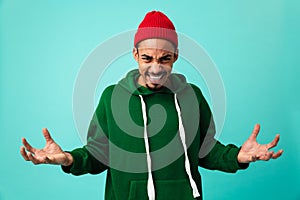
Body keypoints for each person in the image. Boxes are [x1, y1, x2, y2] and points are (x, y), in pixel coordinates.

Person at [20, 11, 283, 200]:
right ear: (135, 55)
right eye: (147, 58)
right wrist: (68, 158)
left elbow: (207, 150)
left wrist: (238, 156)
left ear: (175, 58)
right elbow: (98, 154)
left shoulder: (192, 97)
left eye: (164, 59)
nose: (155, 67)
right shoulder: (113, 97)